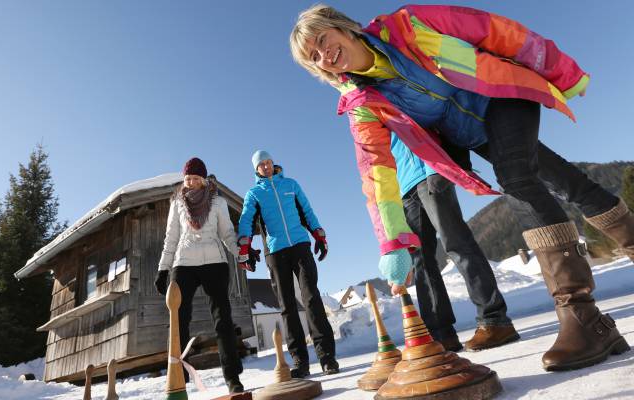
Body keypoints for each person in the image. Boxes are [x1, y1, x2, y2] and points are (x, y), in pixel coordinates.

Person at [290, 4, 631, 371]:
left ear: (341, 27)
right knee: (568, 183)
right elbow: (377, 175)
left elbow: (496, 31)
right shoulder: (363, 103)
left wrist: (561, 69)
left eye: (322, 40)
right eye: (314, 56)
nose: (324, 54)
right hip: (471, 134)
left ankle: (582, 317)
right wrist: (392, 241)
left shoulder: (409, 25)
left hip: (501, 95)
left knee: (516, 179)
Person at [393, 135, 518, 352]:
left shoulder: (391, 99)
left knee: (456, 243)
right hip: (404, 189)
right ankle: (440, 334)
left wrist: (444, 167)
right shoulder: (363, 112)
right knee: (421, 260)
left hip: (429, 171)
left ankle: (494, 319)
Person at [237, 150, 338, 377]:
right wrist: (244, 246)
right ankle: (300, 362)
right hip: (275, 251)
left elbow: (307, 211)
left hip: (300, 245)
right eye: (261, 164)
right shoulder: (254, 193)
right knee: (287, 306)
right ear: (256, 169)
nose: (266, 166)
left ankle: (327, 357)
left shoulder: (291, 185)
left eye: (269, 162)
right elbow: (246, 219)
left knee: (311, 297)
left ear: (274, 163)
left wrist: (319, 235)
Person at [155, 157, 244, 393]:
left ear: (203, 180)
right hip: (183, 264)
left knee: (223, 319)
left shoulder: (217, 202)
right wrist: (163, 269)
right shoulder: (177, 203)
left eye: (195, 178)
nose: (191, 182)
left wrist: (242, 255)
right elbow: (171, 238)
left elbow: (227, 234)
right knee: (178, 320)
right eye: (187, 178)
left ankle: (232, 377)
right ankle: (178, 378)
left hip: (215, 263)